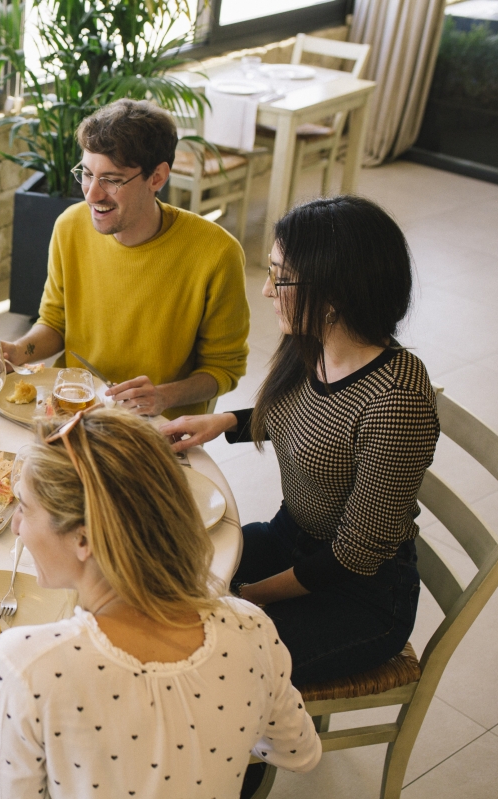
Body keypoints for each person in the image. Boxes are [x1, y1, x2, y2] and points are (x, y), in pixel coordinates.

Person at [163, 195, 439, 685]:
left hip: (359, 594)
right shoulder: (315, 343)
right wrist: (224, 421)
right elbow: (311, 420)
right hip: (290, 537)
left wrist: (246, 597)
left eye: (281, 277)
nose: (267, 290)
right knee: (160, 569)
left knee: (212, 668)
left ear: (335, 294)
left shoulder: (398, 399)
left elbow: (354, 557)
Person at [0, 408, 320, 798]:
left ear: (84, 539)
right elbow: (300, 752)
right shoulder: (251, 628)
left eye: (24, 508)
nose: (16, 525)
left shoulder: (27, 665)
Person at [0, 99, 249, 418]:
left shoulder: (217, 253)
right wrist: (17, 351)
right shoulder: (69, 226)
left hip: (157, 425)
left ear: (157, 177)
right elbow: (55, 323)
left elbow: (224, 368)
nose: (92, 194)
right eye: (87, 174)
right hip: (73, 409)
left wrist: (163, 396)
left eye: (112, 180)